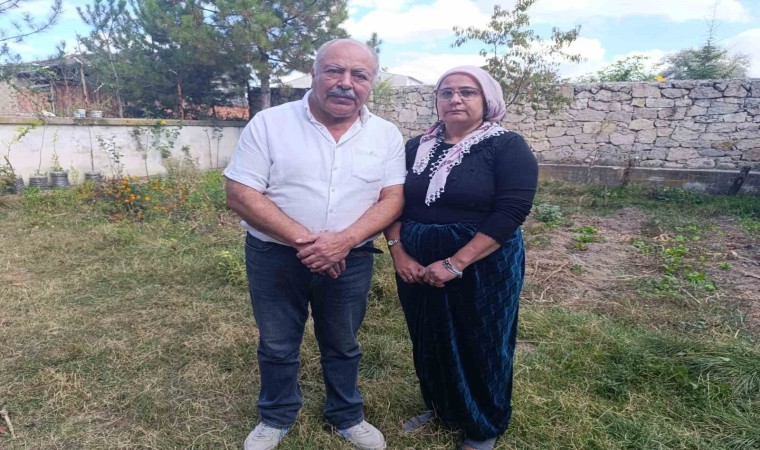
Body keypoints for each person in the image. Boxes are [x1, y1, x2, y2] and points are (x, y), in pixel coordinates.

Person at [224, 38, 406, 450]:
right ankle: (276, 415)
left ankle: (346, 414)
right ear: (314, 74)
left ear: (370, 83)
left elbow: (393, 199)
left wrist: (344, 241)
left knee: (343, 342)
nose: (346, 83)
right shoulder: (270, 124)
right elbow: (240, 193)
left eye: (359, 75)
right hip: (274, 256)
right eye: (334, 70)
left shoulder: (386, 134)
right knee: (277, 342)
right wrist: (311, 243)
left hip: (351, 258)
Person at [383, 66, 538, 450]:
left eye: (467, 92)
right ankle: (442, 407)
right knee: (429, 336)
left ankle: (483, 424)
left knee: (483, 341)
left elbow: (512, 211)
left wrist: (456, 263)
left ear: (487, 100)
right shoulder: (415, 146)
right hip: (417, 263)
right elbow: (390, 201)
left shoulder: (507, 146)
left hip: (483, 263)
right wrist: (398, 252)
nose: (455, 99)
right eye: (446, 92)